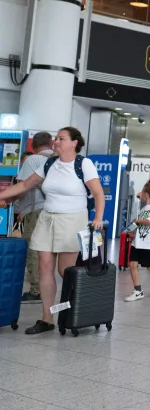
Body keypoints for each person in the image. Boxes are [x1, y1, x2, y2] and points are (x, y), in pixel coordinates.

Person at [0, 127, 105, 335]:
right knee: (44, 267)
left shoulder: (83, 164)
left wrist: (99, 219)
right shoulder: (49, 163)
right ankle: (47, 318)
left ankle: (72, 310)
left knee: (64, 272)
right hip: (47, 218)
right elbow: (25, 186)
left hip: (72, 219)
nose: (56, 141)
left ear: (74, 142)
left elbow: (98, 193)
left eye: (61, 138)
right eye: (56, 138)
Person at [12, 132, 53, 303]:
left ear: (33, 146)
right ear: (51, 144)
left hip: (36, 211)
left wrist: (12, 202)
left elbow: (23, 187)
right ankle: (48, 288)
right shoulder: (59, 159)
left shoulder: (33, 160)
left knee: (35, 251)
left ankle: (36, 290)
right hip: (57, 212)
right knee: (50, 253)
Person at [124, 182, 150, 301]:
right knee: (132, 264)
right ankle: (137, 290)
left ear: (146, 194)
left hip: (148, 244)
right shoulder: (145, 207)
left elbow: (149, 222)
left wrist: (137, 221)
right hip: (138, 242)